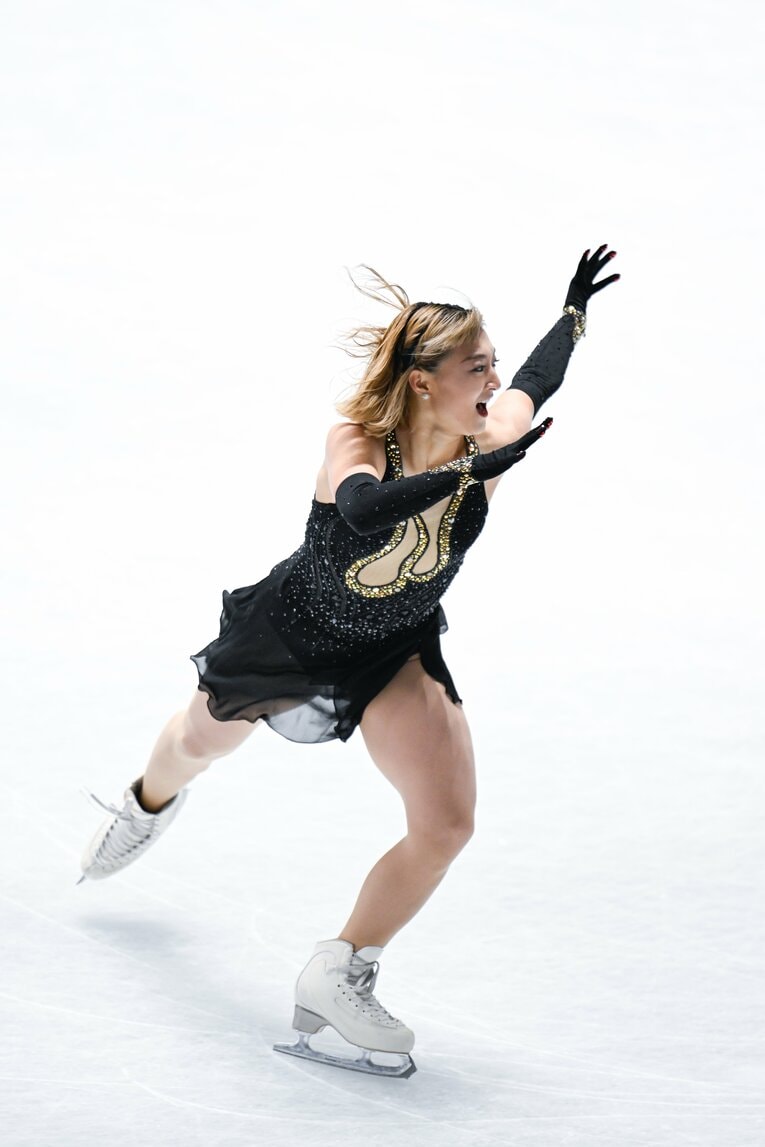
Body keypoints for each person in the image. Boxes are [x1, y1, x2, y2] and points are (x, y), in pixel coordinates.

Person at [79, 244, 620, 1078]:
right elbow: (363, 512)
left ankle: (340, 969)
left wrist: (573, 312)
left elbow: (535, 386)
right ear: (422, 381)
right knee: (197, 743)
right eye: (476, 368)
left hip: (390, 648)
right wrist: (474, 469)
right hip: (290, 635)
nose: (493, 381)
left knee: (445, 823)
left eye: (491, 365)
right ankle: (145, 804)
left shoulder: (490, 431)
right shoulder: (356, 440)